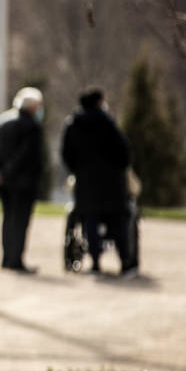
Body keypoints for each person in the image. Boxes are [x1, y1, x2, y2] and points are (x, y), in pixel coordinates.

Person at [60, 88, 137, 278]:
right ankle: (125, 261)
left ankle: (95, 263)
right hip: (112, 183)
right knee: (119, 220)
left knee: (89, 220)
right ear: (98, 102)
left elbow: (66, 154)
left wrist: (77, 170)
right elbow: (124, 153)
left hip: (86, 182)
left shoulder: (73, 125)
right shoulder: (108, 123)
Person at [0, 87, 46, 274]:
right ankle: (15, 260)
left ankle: (6, 258)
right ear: (34, 106)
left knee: (7, 218)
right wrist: (7, 172)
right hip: (23, 182)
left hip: (3, 182)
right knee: (20, 221)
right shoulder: (32, 126)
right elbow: (26, 155)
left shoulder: (0, 122)